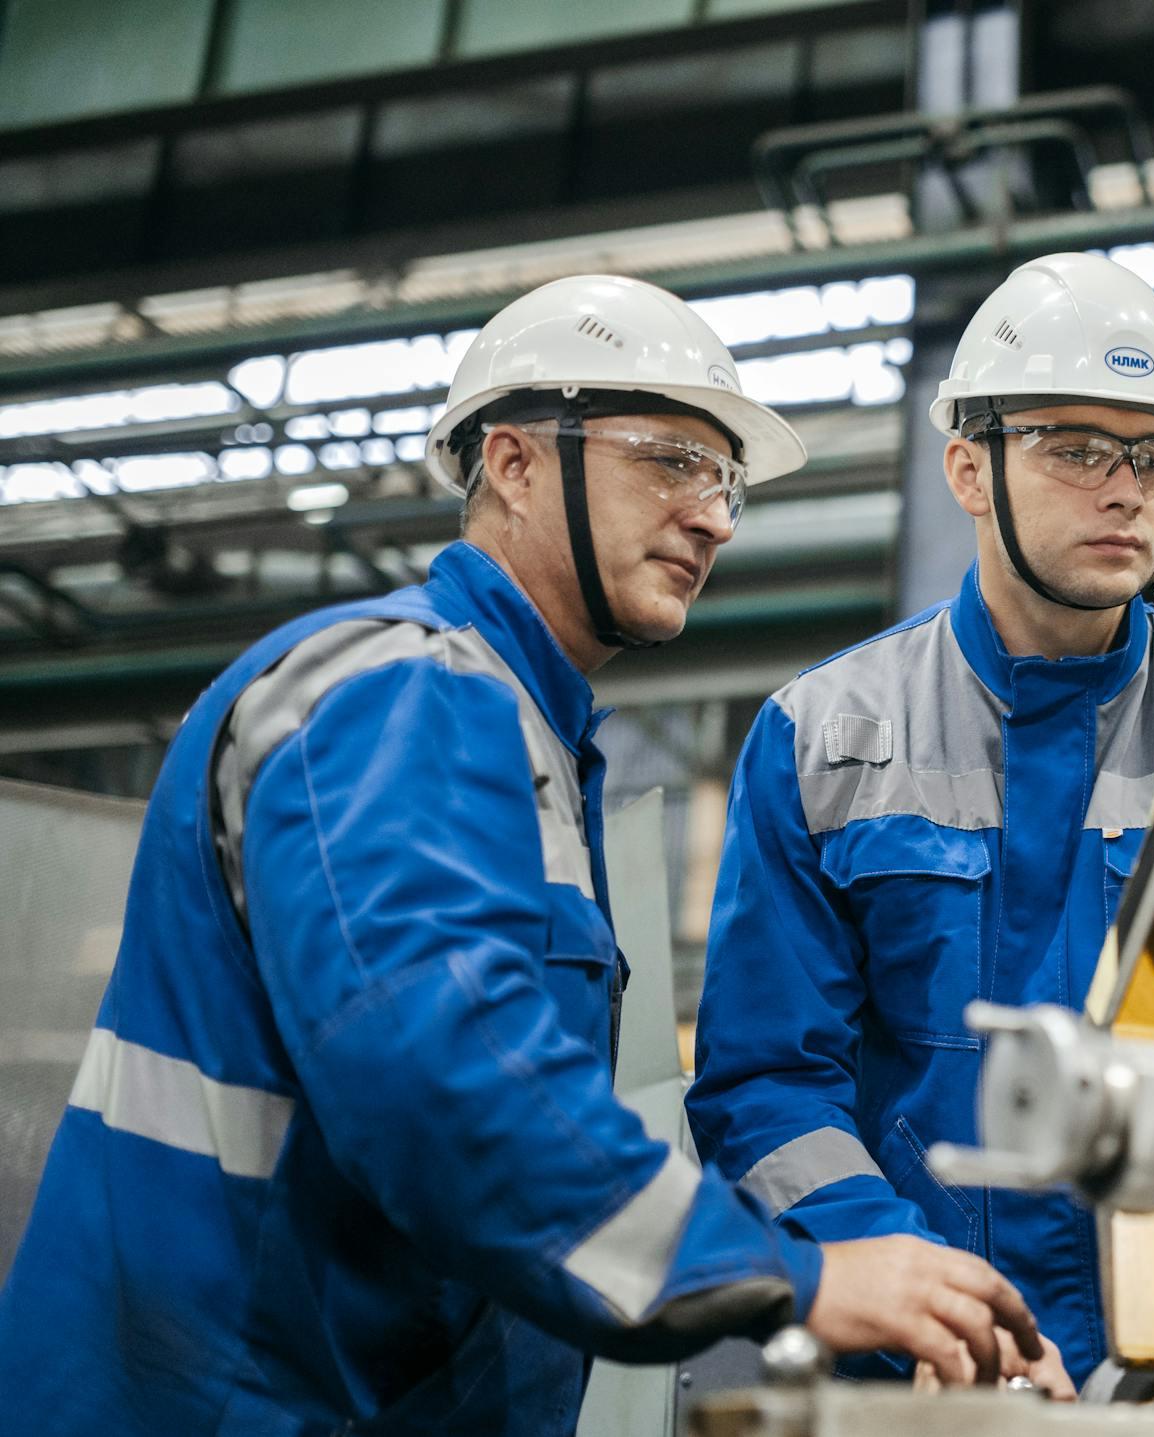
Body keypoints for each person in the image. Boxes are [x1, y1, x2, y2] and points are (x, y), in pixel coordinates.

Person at [0, 274, 1042, 1436]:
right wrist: (803, 1275)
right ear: (514, 463)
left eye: (725, 480)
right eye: (670, 461)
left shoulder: (519, 729)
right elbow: (446, 1091)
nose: (716, 518)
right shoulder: (403, 698)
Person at [689, 253, 1154, 1391]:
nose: (1126, 488)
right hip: (917, 1372)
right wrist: (904, 1279)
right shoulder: (822, 738)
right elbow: (768, 1084)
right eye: (1077, 447)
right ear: (968, 471)